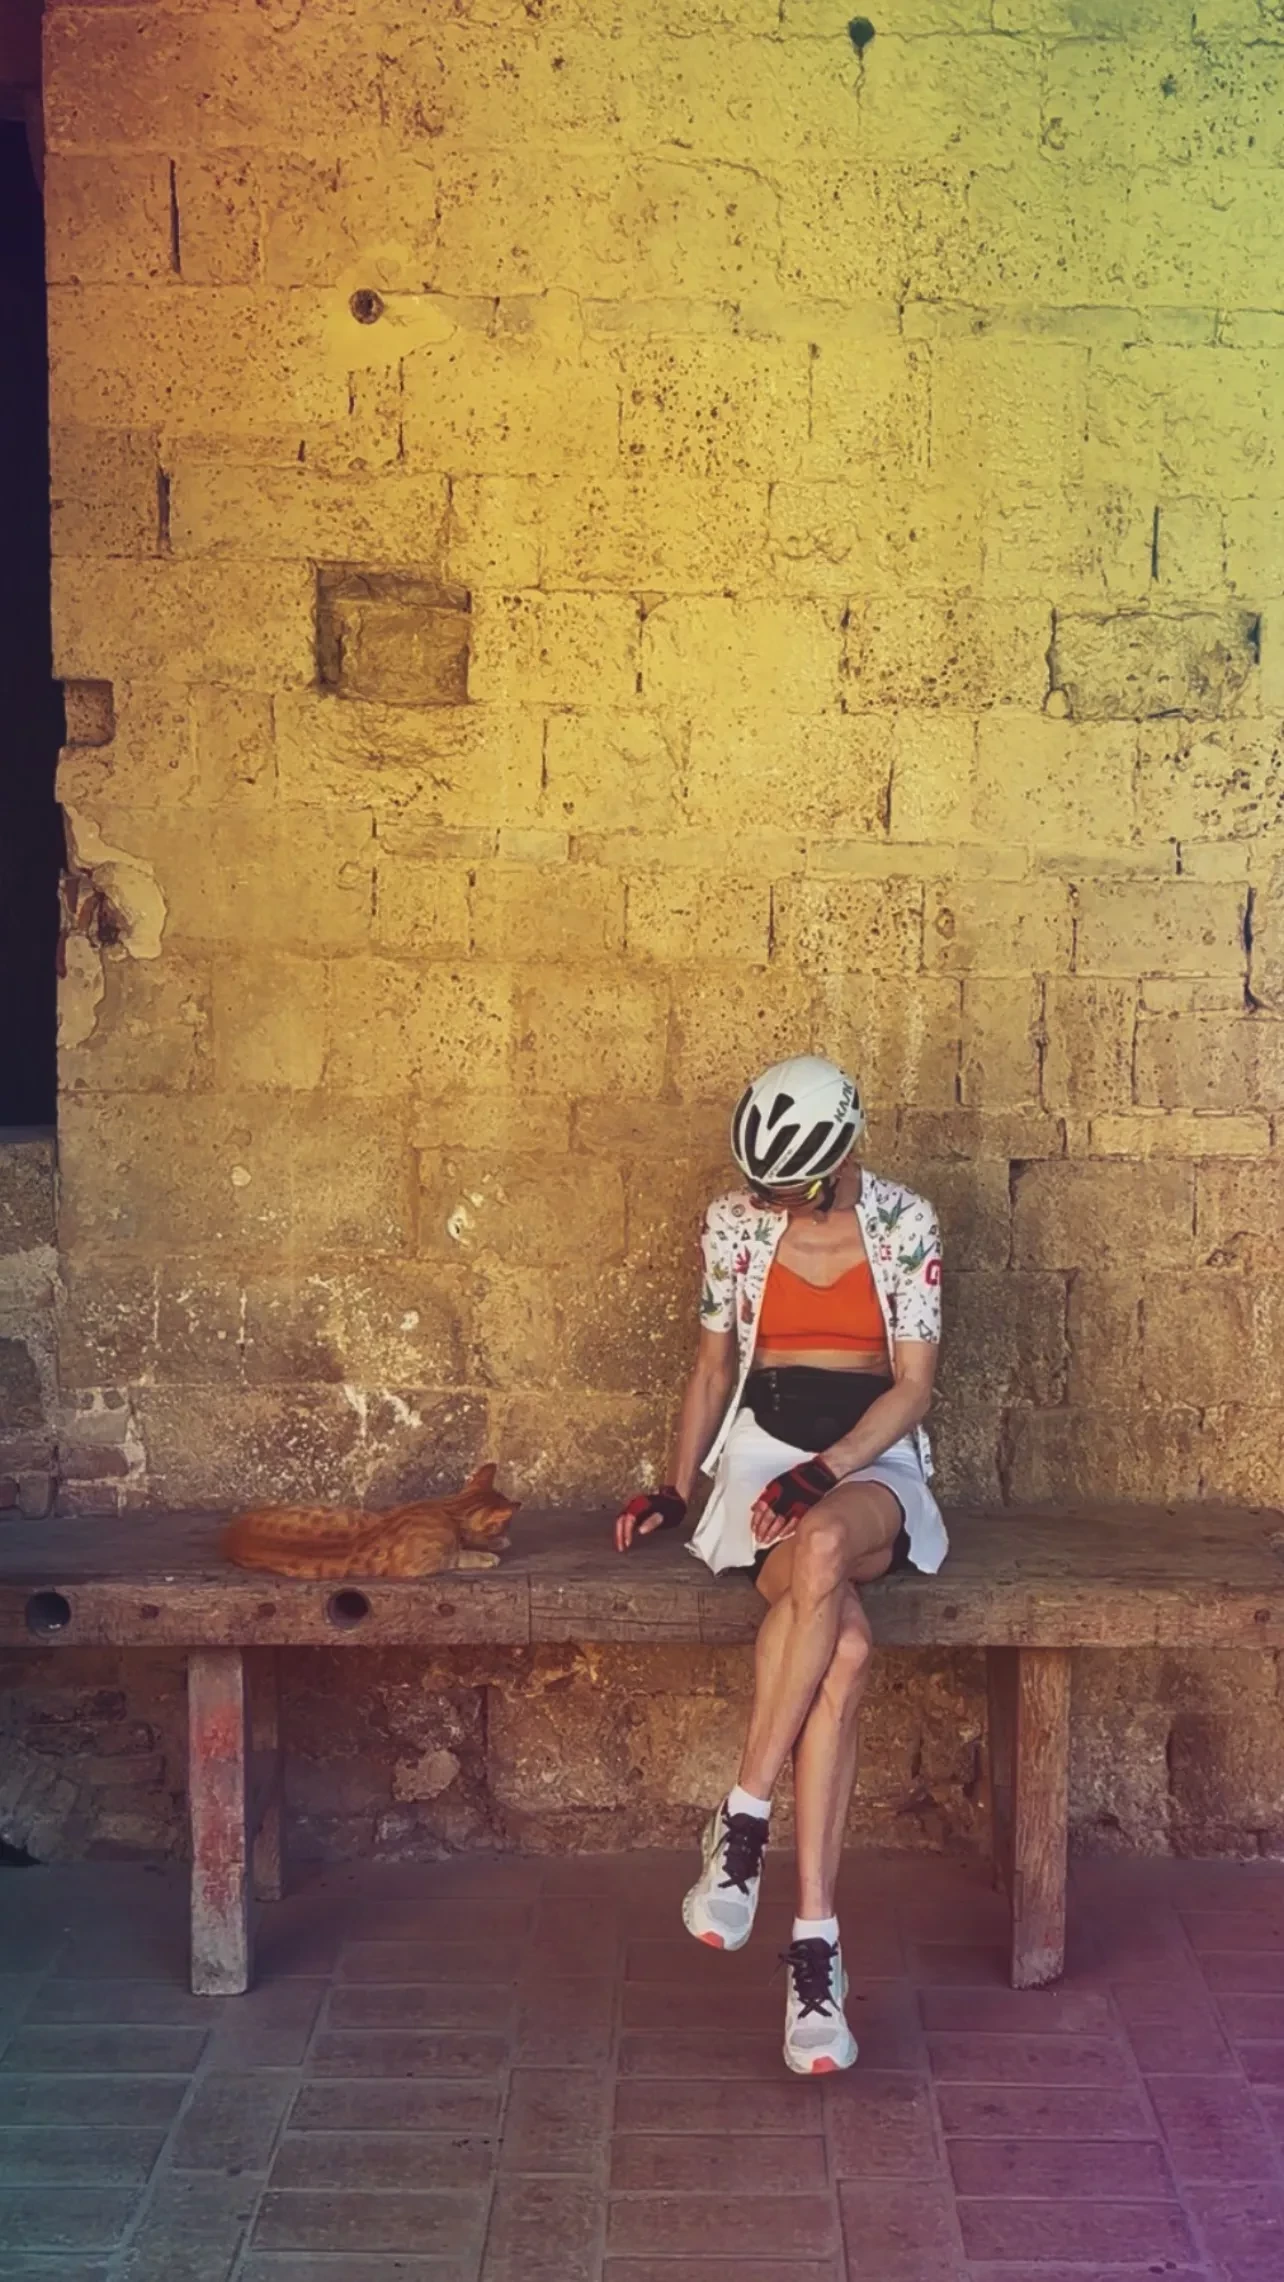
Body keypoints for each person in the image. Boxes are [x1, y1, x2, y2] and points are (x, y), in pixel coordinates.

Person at [614, 1055, 946, 2075]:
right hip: (763, 1457)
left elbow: (915, 1386)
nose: (770, 1204)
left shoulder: (907, 1222)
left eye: (788, 1187)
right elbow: (713, 1365)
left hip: (870, 1461)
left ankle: (742, 1814)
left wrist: (827, 1472)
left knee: (830, 1541)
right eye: (760, 1185)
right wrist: (675, 1488)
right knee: (843, 1649)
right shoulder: (733, 1224)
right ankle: (816, 1954)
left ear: (841, 1158)